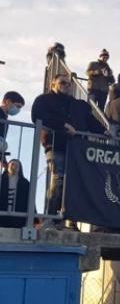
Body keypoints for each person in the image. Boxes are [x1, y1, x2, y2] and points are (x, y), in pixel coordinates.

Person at [31, 74, 76, 217]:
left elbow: (86, 117)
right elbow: (38, 116)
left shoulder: (72, 102)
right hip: (53, 144)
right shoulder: (43, 100)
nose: (66, 86)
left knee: (71, 183)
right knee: (58, 179)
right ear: (53, 84)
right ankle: (51, 216)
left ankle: (67, 218)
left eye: (69, 84)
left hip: (72, 147)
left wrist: (104, 131)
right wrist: (63, 125)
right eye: (62, 82)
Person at [0, 159, 31, 228]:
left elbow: (30, 200)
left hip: (18, 218)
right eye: (12, 164)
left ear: (19, 169)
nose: (14, 167)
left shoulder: (25, 183)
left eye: (16, 165)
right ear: (8, 167)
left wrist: (35, 220)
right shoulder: (1, 179)